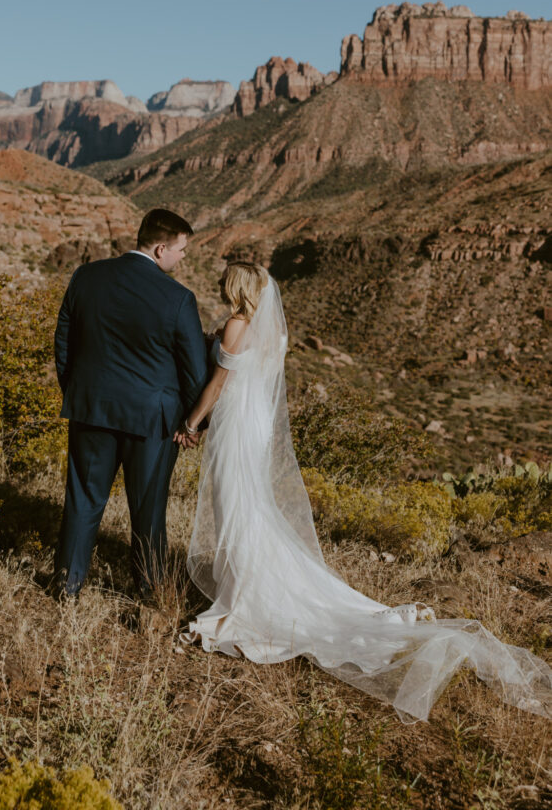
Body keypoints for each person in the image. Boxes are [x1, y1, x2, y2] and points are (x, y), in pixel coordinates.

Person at [178, 262, 552, 723]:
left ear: (236, 288)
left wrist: (192, 423)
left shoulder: (236, 325)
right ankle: (248, 584)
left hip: (233, 428)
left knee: (236, 508)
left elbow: (219, 382)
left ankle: (247, 598)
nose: (218, 285)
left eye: (224, 281)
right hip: (252, 429)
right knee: (249, 508)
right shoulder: (270, 332)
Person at [53, 208, 208, 599]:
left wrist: (78, 393)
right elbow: (194, 370)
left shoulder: (86, 276)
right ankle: (149, 589)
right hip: (153, 423)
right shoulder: (178, 298)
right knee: (149, 510)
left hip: (92, 409)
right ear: (160, 248)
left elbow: (63, 343)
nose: (183, 257)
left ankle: (67, 586)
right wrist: (194, 423)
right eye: (181, 250)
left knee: (83, 500)